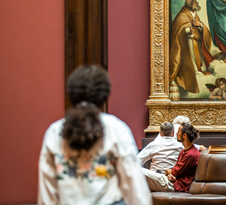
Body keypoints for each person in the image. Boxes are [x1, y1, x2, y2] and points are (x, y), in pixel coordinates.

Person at [38, 65, 151, 205]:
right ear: (104, 96)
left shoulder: (54, 132)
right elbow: (135, 186)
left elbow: (47, 191)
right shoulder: (116, 128)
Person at [170, 0, 215, 93]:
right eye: (195, 2)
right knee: (191, 59)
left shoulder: (194, 15)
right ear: (190, 5)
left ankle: (199, 69)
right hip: (186, 43)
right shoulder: (182, 15)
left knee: (199, 58)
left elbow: (200, 26)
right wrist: (188, 30)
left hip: (196, 42)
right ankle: (194, 72)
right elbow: (179, 28)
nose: (197, 3)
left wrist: (200, 26)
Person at [145, 123, 201, 193]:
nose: (177, 133)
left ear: (184, 135)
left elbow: (175, 172)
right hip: (172, 181)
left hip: (176, 186)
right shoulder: (183, 151)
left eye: (179, 131)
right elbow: (176, 173)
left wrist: (169, 172)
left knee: (140, 171)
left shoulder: (191, 154)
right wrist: (171, 176)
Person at [138, 122, 183, 191]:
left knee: (133, 167)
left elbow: (137, 161)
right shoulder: (181, 146)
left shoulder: (154, 145)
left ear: (160, 133)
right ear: (173, 133)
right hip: (171, 183)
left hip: (162, 180)